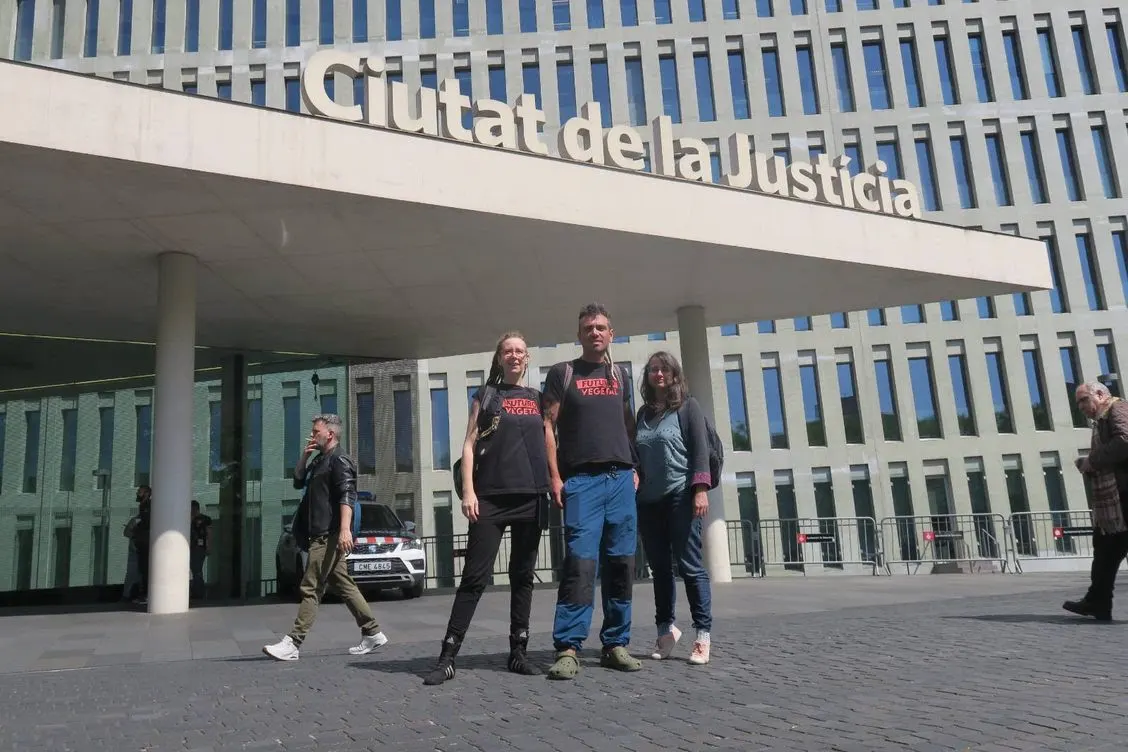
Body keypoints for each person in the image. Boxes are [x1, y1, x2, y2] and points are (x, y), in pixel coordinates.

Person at [423, 331, 549, 685]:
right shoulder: (487, 394)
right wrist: (468, 492)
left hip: (531, 496)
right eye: (508, 351)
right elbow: (468, 444)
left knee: (522, 576)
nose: (514, 356)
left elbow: (551, 443)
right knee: (475, 578)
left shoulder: (538, 398)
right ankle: (447, 656)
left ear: (527, 359)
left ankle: (518, 652)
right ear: (499, 357)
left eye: (520, 351)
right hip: (490, 497)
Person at [542, 303, 641, 680]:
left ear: (611, 334)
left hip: (621, 482)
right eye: (588, 328)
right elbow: (547, 429)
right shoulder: (562, 374)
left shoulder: (620, 376)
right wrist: (555, 477)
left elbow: (629, 427)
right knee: (580, 566)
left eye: (601, 327)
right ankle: (568, 647)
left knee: (620, 565)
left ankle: (616, 644)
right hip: (581, 482)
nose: (595, 333)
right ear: (579, 334)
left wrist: (636, 469)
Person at [263, 414, 387, 661]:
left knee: (311, 587)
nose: (312, 434)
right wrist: (304, 456)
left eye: (315, 430)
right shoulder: (321, 459)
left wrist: (344, 529)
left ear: (329, 434)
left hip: (328, 535)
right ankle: (372, 632)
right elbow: (298, 481)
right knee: (344, 584)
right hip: (319, 533)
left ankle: (293, 643)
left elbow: (347, 495)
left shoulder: (340, 459)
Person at [634, 351, 714, 665]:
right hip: (649, 503)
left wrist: (701, 490)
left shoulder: (687, 407)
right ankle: (665, 631)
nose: (658, 374)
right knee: (660, 571)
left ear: (674, 374)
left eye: (664, 369)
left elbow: (700, 450)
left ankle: (702, 636)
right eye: (653, 370)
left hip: (681, 495)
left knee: (690, 566)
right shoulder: (642, 414)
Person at [1063, 381, 1128, 622]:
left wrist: (1093, 461)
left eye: (1083, 400)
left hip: (1123, 496)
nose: (1080, 407)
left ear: (1100, 394)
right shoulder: (1103, 418)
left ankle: (1097, 601)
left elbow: (1125, 440)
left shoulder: (1118, 409)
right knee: (1104, 551)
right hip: (1115, 502)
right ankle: (1098, 602)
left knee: (1106, 551)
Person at [189, 500, 212, 600]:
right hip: (190, 547)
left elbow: (209, 533)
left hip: (199, 548)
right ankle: (197, 591)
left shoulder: (204, 519)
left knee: (197, 570)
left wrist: (208, 546)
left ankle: (199, 592)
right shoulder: (188, 519)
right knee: (195, 570)